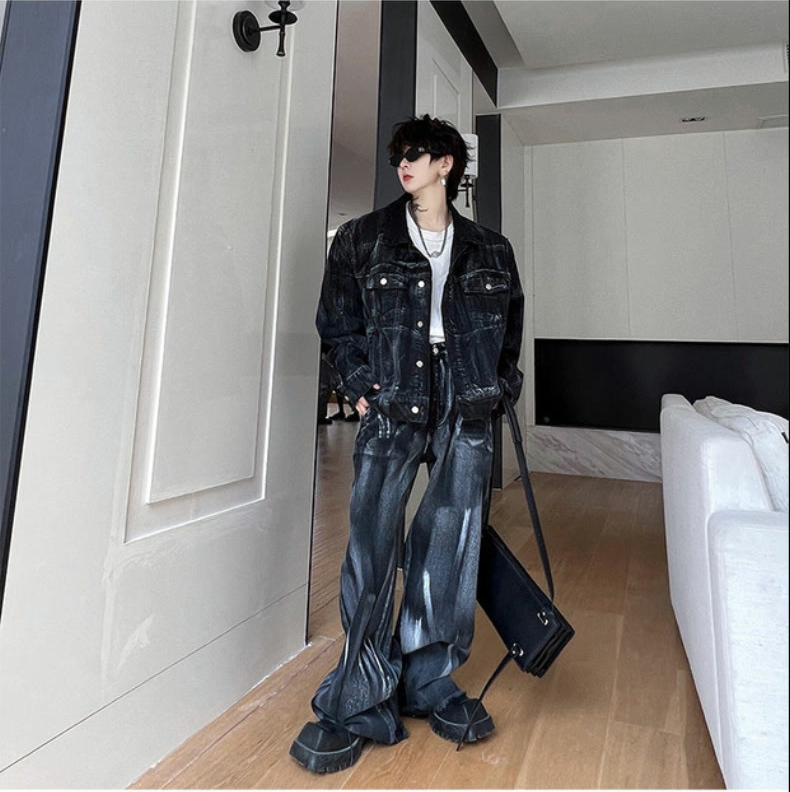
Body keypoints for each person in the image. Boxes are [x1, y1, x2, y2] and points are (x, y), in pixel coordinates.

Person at [290, 114, 524, 774]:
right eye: (400, 154)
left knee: (449, 541)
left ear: (447, 164)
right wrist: (361, 386)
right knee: (371, 542)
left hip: (466, 400)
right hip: (393, 395)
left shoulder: (491, 249)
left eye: (418, 153)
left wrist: (498, 389)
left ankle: (429, 681)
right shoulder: (362, 238)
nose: (405, 163)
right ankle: (359, 691)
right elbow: (337, 324)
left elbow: (510, 332)